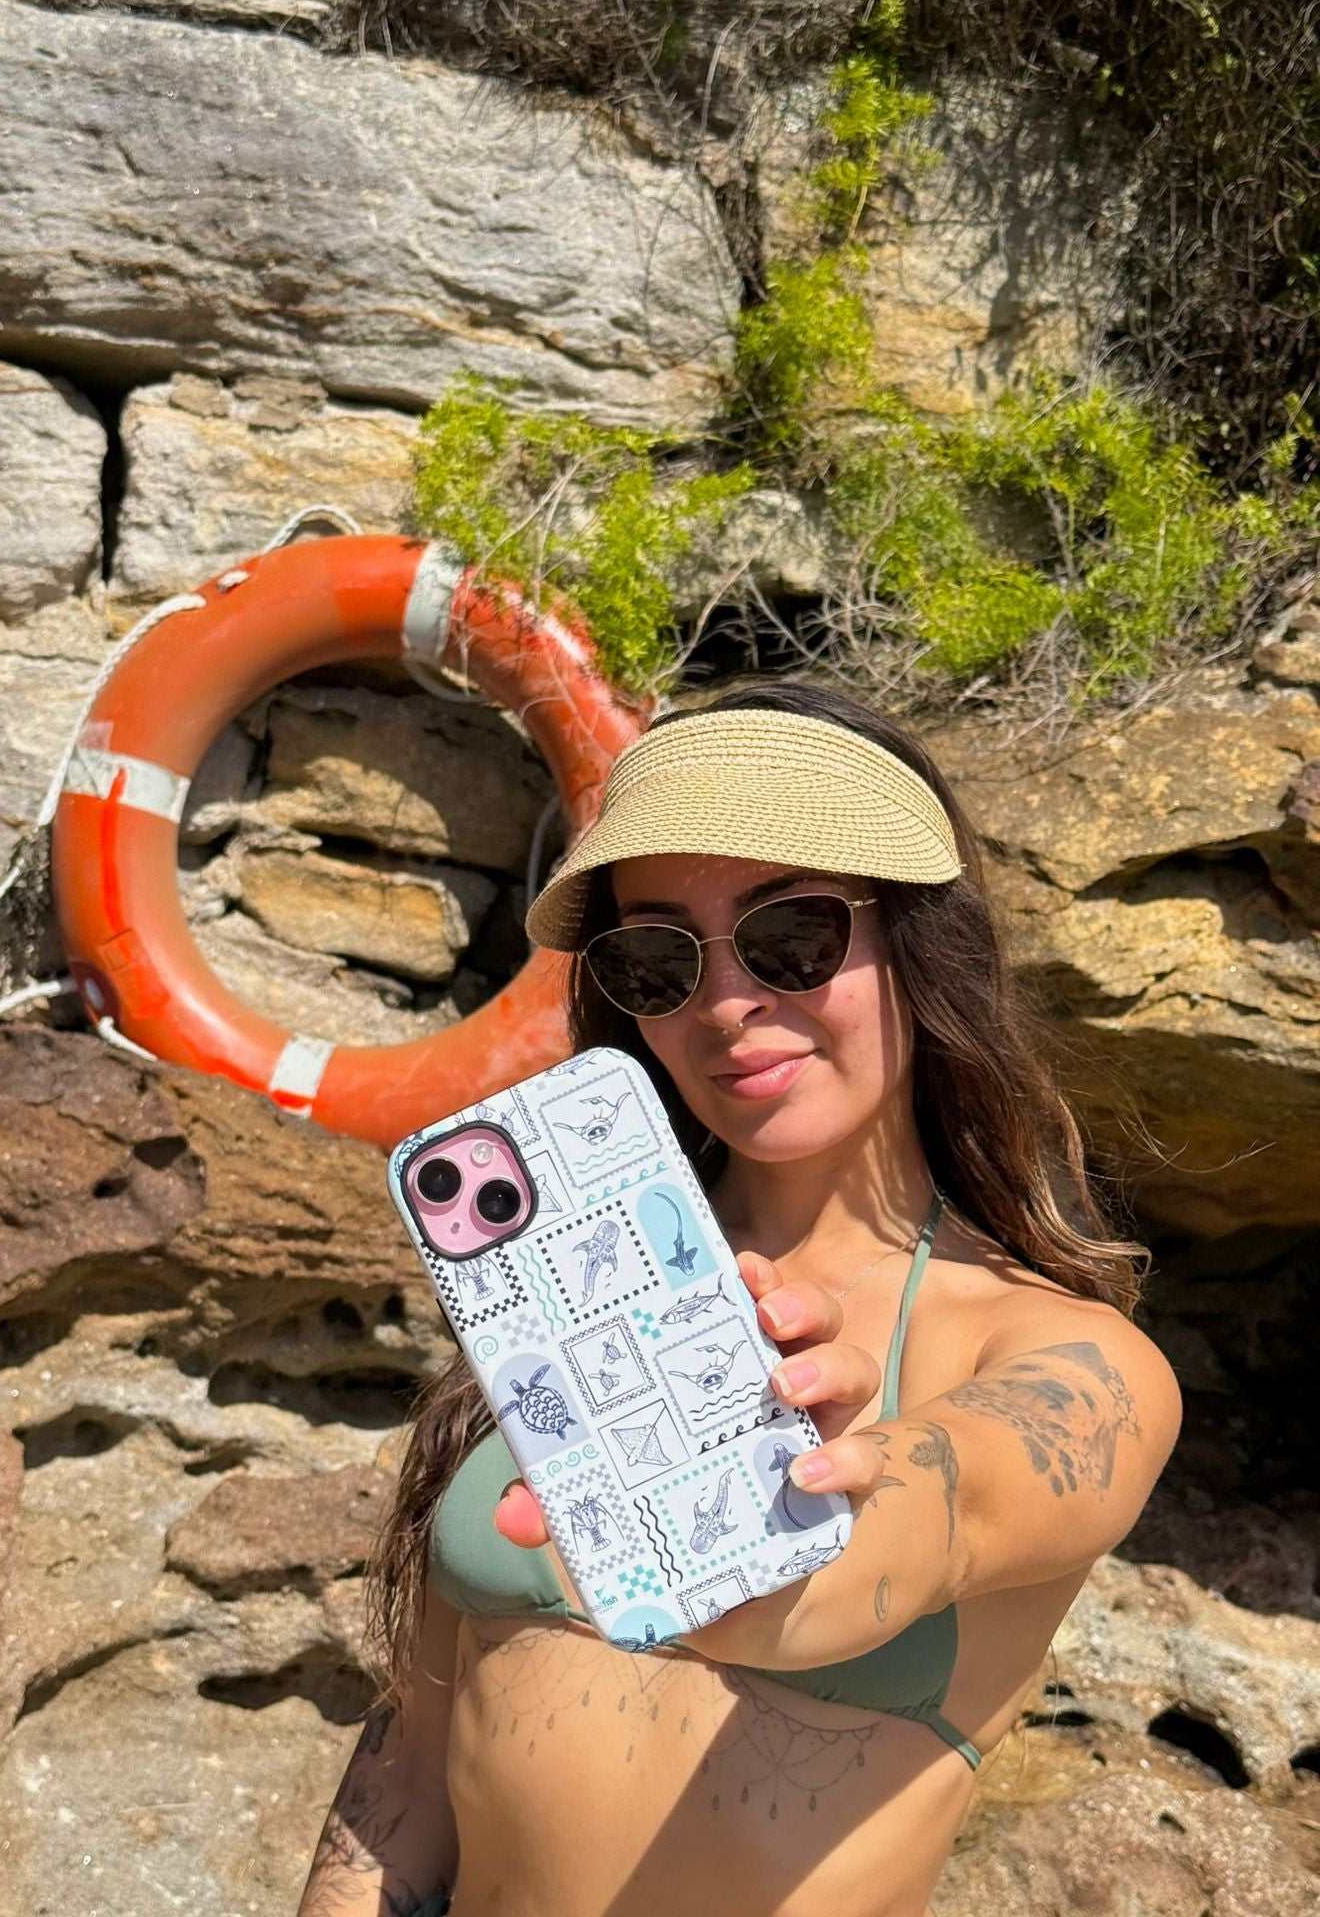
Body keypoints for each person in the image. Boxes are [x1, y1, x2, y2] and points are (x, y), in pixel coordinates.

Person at [296, 680, 1182, 1917]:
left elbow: (882, 1555)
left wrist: (783, 1496)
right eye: (657, 958)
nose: (724, 1004)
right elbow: (404, 1786)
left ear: (922, 944)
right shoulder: (569, 1304)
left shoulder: (1076, 1363)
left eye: (793, 937)